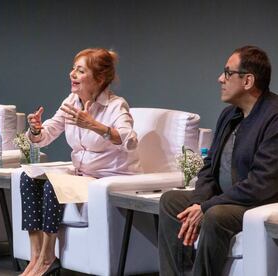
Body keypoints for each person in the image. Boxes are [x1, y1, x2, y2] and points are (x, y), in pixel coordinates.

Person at [19, 48, 142, 276]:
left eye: (80, 70)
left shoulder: (116, 105)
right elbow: (46, 135)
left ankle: (48, 258)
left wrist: (94, 124)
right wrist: (36, 129)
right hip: (81, 176)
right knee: (28, 178)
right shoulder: (72, 101)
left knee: (52, 185)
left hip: (107, 179)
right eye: (73, 69)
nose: (72, 74)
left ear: (100, 78)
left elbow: (129, 139)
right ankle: (35, 257)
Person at [158, 45, 278, 276]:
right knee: (171, 201)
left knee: (216, 215)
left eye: (227, 72)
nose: (220, 79)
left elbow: (261, 184)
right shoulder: (229, 114)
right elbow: (208, 167)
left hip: (257, 201)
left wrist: (206, 206)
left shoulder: (273, 117)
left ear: (248, 81)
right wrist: (199, 201)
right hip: (225, 198)